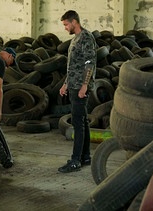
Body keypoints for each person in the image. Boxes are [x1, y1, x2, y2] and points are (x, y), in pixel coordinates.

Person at [58, 10, 97, 173]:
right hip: (73, 85)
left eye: (66, 24)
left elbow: (90, 62)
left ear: (74, 22)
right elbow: (74, 65)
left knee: (77, 123)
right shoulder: (76, 39)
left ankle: (75, 161)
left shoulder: (86, 38)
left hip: (80, 86)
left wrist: (84, 86)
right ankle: (86, 156)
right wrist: (66, 84)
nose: (65, 28)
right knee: (83, 121)